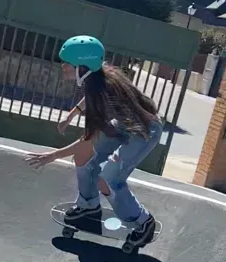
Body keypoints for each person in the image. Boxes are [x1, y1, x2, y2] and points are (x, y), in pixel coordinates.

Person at [25, 35, 163, 247]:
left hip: (144, 132)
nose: (62, 66)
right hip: (124, 123)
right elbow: (90, 96)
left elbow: (87, 140)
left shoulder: (103, 90)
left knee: (107, 179)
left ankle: (143, 223)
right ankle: (88, 205)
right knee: (83, 158)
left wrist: (52, 156)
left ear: (82, 67)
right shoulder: (97, 76)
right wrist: (71, 115)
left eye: (67, 63)